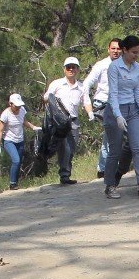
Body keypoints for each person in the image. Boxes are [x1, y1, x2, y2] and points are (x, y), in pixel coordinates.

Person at [103, 38, 139, 199]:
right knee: (115, 150)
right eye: (134, 52)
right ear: (124, 50)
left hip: (132, 109)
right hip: (115, 110)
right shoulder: (114, 67)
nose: (137, 56)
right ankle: (110, 185)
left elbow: (138, 91)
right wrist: (118, 116)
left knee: (138, 147)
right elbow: (113, 94)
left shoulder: (137, 67)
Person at [44, 57, 94, 185]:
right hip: (59, 121)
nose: (71, 69)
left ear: (77, 69)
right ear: (64, 69)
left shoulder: (81, 87)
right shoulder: (57, 84)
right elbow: (47, 97)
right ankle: (64, 175)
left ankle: (65, 172)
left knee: (71, 148)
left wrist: (90, 113)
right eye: (68, 67)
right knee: (64, 147)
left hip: (73, 120)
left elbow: (86, 101)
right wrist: (51, 101)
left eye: (74, 67)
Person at [84, 38, 122, 177]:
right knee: (112, 135)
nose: (116, 51)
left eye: (118, 49)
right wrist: (88, 107)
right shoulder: (101, 65)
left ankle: (103, 169)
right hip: (102, 104)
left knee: (111, 136)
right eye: (113, 48)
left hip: (119, 104)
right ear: (108, 49)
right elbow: (87, 84)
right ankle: (106, 169)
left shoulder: (126, 65)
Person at [0, 94, 39, 190]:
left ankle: (15, 183)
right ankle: (12, 183)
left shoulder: (22, 110)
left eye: (19, 106)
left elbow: (24, 121)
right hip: (9, 141)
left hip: (20, 140)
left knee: (19, 162)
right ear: (10, 104)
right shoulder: (5, 114)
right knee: (16, 160)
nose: (18, 108)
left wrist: (33, 127)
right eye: (16, 106)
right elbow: (0, 130)